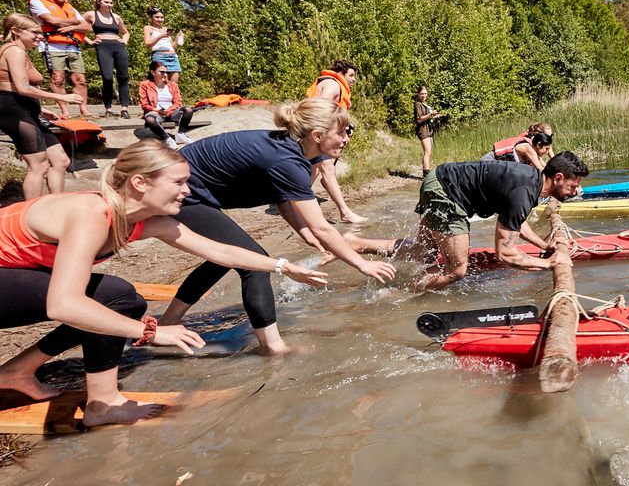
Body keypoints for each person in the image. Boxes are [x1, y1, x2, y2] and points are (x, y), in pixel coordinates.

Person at [0, 140, 327, 427]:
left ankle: (16, 372)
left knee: (122, 301)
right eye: (179, 182)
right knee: (117, 298)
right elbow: (63, 304)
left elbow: (219, 251)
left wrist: (283, 266)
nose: (188, 189)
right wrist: (151, 331)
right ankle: (103, 404)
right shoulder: (90, 216)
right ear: (141, 183)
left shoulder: (145, 220)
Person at [157, 97, 396, 354]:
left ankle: (169, 320)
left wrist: (308, 237)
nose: (346, 139)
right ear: (317, 135)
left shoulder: (292, 150)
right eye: (340, 133)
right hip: (178, 191)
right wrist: (361, 264)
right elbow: (323, 227)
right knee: (254, 263)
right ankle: (272, 347)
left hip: (188, 186)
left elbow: (282, 198)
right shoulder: (288, 161)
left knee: (225, 258)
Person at [346, 152, 589, 291]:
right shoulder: (524, 190)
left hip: (439, 181)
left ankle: (356, 243)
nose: (575, 191)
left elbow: (515, 222)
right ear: (558, 178)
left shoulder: (530, 183)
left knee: (424, 252)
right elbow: (505, 254)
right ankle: (400, 293)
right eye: (573, 185)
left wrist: (543, 246)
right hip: (446, 193)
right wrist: (549, 265)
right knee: (457, 270)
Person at [0, 13, 75, 199]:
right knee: (38, 165)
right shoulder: (14, 51)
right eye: (35, 32)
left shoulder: (19, 50)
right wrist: (64, 98)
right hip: (14, 111)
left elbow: (8, 84)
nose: (40, 36)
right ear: (16, 31)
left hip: (24, 109)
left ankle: (55, 204)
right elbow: (22, 88)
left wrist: (40, 109)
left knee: (60, 160)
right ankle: (30, 213)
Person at [305, 60, 366, 223]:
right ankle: (345, 213)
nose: (353, 80)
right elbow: (321, 110)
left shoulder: (331, 83)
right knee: (328, 169)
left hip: (317, 133)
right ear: (341, 73)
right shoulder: (333, 85)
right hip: (319, 134)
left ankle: (295, 198)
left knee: (316, 170)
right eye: (351, 75)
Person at [25, 0, 91, 118]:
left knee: (80, 79)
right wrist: (75, 21)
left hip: (72, 45)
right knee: (58, 79)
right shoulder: (37, 2)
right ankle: (65, 110)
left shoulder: (69, 7)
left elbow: (87, 26)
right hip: (52, 45)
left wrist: (72, 26)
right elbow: (51, 20)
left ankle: (84, 110)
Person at [82, 0, 131, 119]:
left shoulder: (116, 17)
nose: (109, 5)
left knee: (123, 76)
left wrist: (124, 41)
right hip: (103, 46)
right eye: (106, 2)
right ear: (98, 1)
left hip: (118, 46)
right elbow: (77, 29)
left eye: (111, 2)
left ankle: (124, 108)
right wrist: (89, 41)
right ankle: (108, 108)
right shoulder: (91, 14)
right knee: (107, 77)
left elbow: (126, 33)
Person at [139, 61, 193, 149]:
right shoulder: (145, 85)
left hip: (171, 111)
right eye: (162, 72)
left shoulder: (172, 85)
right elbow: (144, 105)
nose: (165, 74)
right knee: (150, 119)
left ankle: (181, 134)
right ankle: (166, 138)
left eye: (166, 72)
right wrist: (157, 110)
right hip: (156, 111)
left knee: (188, 110)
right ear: (153, 72)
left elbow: (178, 102)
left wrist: (168, 111)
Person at [143, 6, 184, 84]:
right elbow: (147, 43)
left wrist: (177, 39)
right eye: (157, 17)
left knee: (173, 85)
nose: (160, 19)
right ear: (151, 17)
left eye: (162, 17)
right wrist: (161, 36)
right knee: (161, 84)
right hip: (160, 57)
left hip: (173, 57)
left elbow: (173, 46)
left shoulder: (165, 29)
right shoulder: (148, 28)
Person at [481, 131, 553, 171]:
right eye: (546, 149)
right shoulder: (528, 148)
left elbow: (546, 168)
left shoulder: (535, 153)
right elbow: (541, 169)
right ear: (538, 145)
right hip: (489, 161)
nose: (547, 152)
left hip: (496, 166)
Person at [413, 84, 441, 176]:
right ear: (418, 94)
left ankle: (425, 171)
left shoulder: (425, 105)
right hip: (422, 130)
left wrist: (435, 116)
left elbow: (427, 117)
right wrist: (430, 114)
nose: (423, 95)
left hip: (428, 129)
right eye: (421, 94)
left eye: (425, 93)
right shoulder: (418, 104)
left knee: (428, 152)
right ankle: (426, 174)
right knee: (427, 151)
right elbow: (419, 119)